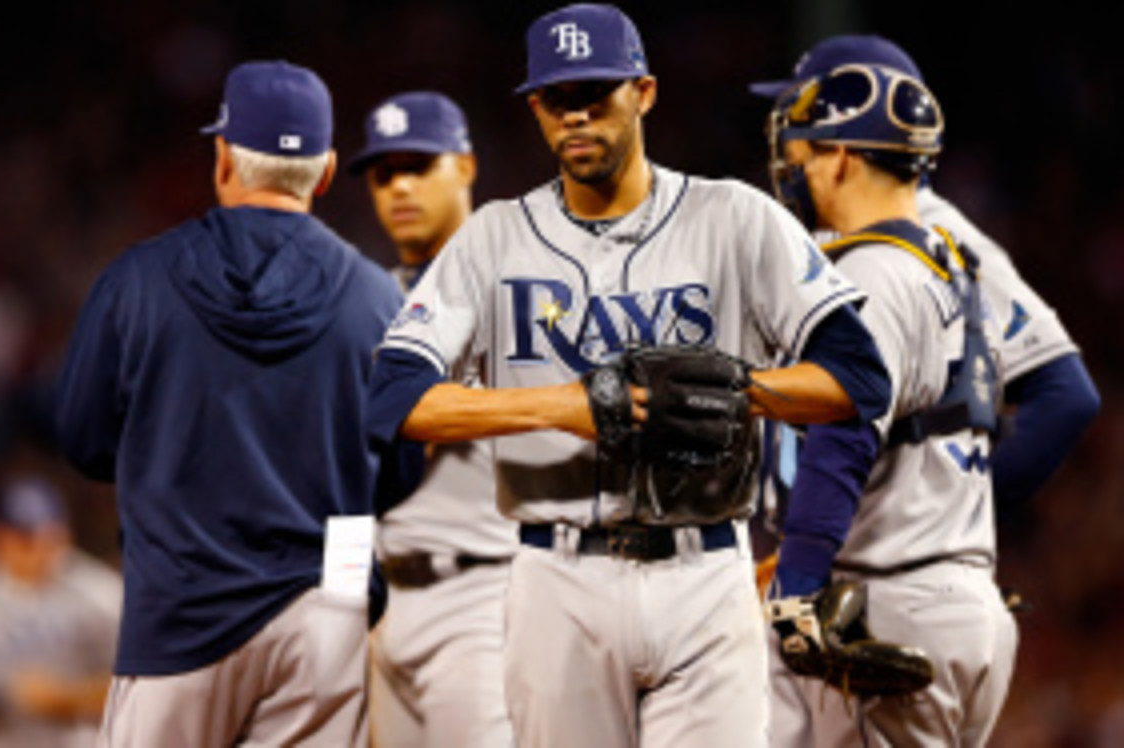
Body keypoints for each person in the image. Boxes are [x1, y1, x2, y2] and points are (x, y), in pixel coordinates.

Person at [365, 4, 893, 745]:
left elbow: (862, 382)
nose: (576, 115)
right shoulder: (493, 238)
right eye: (557, 99)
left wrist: (740, 390)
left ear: (643, 92)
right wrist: (560, 406)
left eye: (595, 94)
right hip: (556, 580)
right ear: (535, 110)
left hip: (705, 572)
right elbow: (394, 398)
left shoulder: (734, 217)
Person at [54, 60, 402, 747]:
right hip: (322, 617)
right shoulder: (378, 302)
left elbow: (83, 439)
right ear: (327, 171)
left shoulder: (137, 281)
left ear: (223, 159)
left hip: (178, 614)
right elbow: (401, 471)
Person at [753, 49, 1049, 746]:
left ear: (845, 157)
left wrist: (797, 589)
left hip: (891, 604)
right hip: (962, 601)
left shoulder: (876, 275)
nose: (795, 164)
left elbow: (844, 433)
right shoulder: (952, 269)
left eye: (807, 147)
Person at [749, 35, 1101, 516]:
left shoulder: (941, 237)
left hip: (895, 566)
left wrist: (957, 522)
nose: (792, 140)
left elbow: (1066, 395)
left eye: (805, 108)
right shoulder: (838, 232)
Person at [349, 91, 516, 747]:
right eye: (384, 173)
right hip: (381, 597)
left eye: (419, 165)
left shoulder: (519, 289)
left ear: (466, 167)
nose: (400, 187)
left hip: (483, 595)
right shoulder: (367, 301)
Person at [0, 475, 121, 748]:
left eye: (48, 535)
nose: (39, 548)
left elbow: (135, 689)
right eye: (24, 538)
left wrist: (68, 699)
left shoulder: (102, 592)